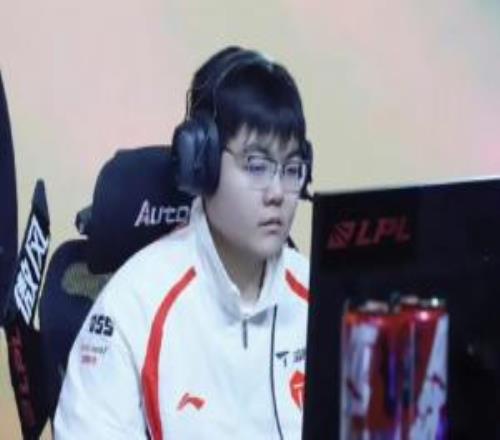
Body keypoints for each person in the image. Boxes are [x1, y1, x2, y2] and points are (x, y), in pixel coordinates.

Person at [54, 46, 313, 439]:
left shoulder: (322, 300)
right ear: (201, 164)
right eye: (257, 166)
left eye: (292, 169)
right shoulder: (134, 303)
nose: (277, 192)